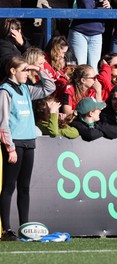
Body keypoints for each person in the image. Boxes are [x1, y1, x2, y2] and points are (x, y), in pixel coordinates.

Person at [0, 55, 56, 241]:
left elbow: (49, 88)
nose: (27, 73)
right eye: (24, 70)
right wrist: (10, 148)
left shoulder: (25, 88)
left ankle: (25, 226)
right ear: (12, 71)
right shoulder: (5, 91)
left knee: (24, 187)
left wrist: (39, 70)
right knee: (9, 186)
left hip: (28, 141)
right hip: (14, 143)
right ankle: (6, 229)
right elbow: (3, 123)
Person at [68, 0, 111, 73]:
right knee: (80, 67)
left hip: (97, 33)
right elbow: (85, 6)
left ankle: (92, 84)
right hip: (79, 31)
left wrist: (108, 6)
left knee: (94, 68)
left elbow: (108, 14)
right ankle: (79, 84)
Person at [44, 36, 70, 101]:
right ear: (56, 49)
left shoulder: (54, 61)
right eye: (63, 52)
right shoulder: (43, 61)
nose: (62, 56)